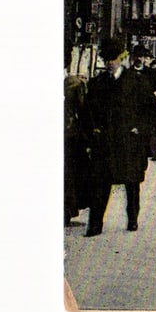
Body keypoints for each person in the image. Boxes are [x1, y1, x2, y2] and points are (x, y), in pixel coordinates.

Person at [84, 37, 153, 236]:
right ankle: (95, 224)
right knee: (101, 184)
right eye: (106, 59)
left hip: (128, 141)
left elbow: (150, 109)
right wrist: (93, 130)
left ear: (121, 59)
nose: (109, 63)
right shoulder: (97, 83)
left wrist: (140, 129)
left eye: (113, 59)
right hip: (106, 142)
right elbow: (89, 110)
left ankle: (132, 218)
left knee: (131, 184)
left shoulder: (137, 81)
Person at [65, 46, 93, 226]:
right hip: (69, 135)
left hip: (69, 136)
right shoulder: (75, 84)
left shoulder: (74, 84)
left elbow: (83, 113)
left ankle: (65, 211)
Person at [128, 44, 156, 164]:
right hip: (135, 108)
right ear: (133, 57)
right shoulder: (128, 74)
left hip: (150, 107)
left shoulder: (151, 73)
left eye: (141, 56)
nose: (139, 59)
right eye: (137, 56)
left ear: (144, 58)